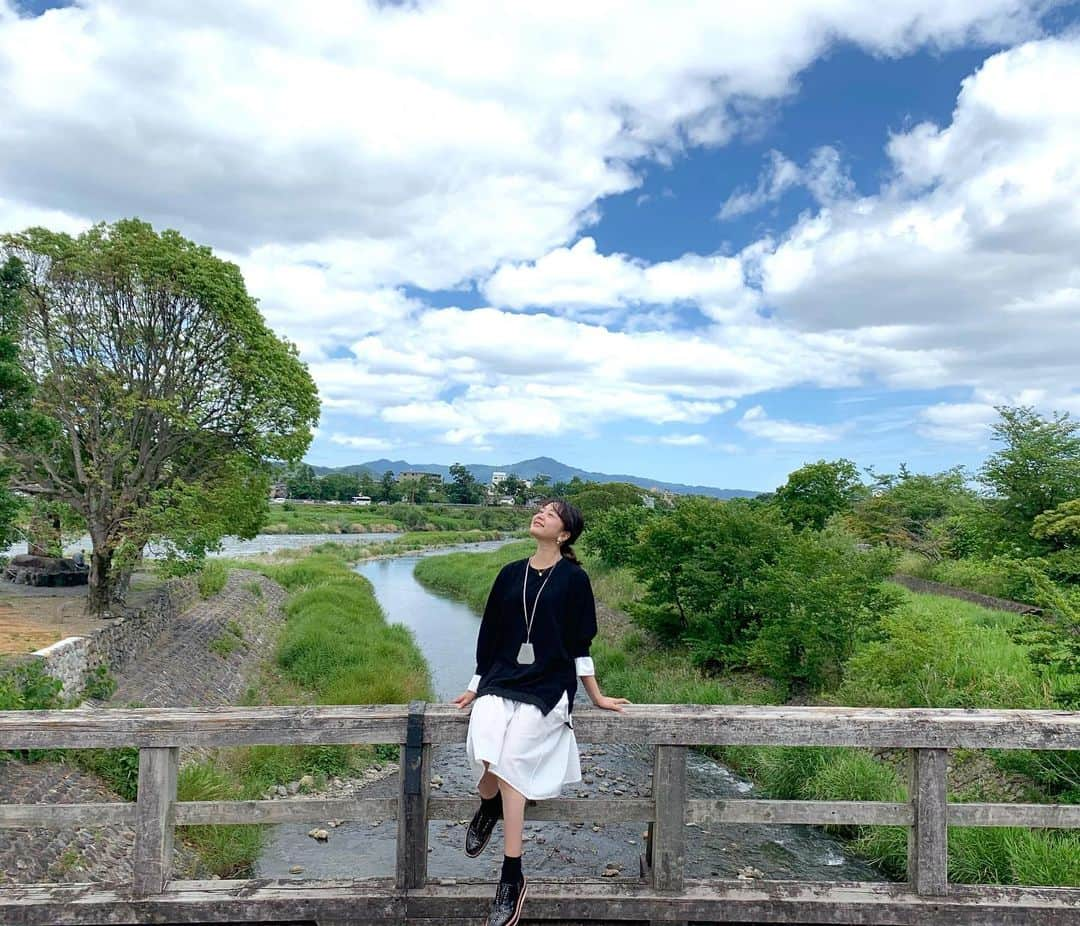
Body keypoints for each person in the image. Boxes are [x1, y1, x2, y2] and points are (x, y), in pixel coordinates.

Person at [451, 498, 631, 926]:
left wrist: (597, 696)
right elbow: (490, 633)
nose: (541, 514)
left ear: (564, 533)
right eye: (541, 509)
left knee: (511, 760)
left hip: (549, 683)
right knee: (487, 734)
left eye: (551, 514)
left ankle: (511, 875)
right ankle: (488, 800)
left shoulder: (574, 579)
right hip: (502, 678)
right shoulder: (510, 573)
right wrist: (476, 685)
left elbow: (580, 644)